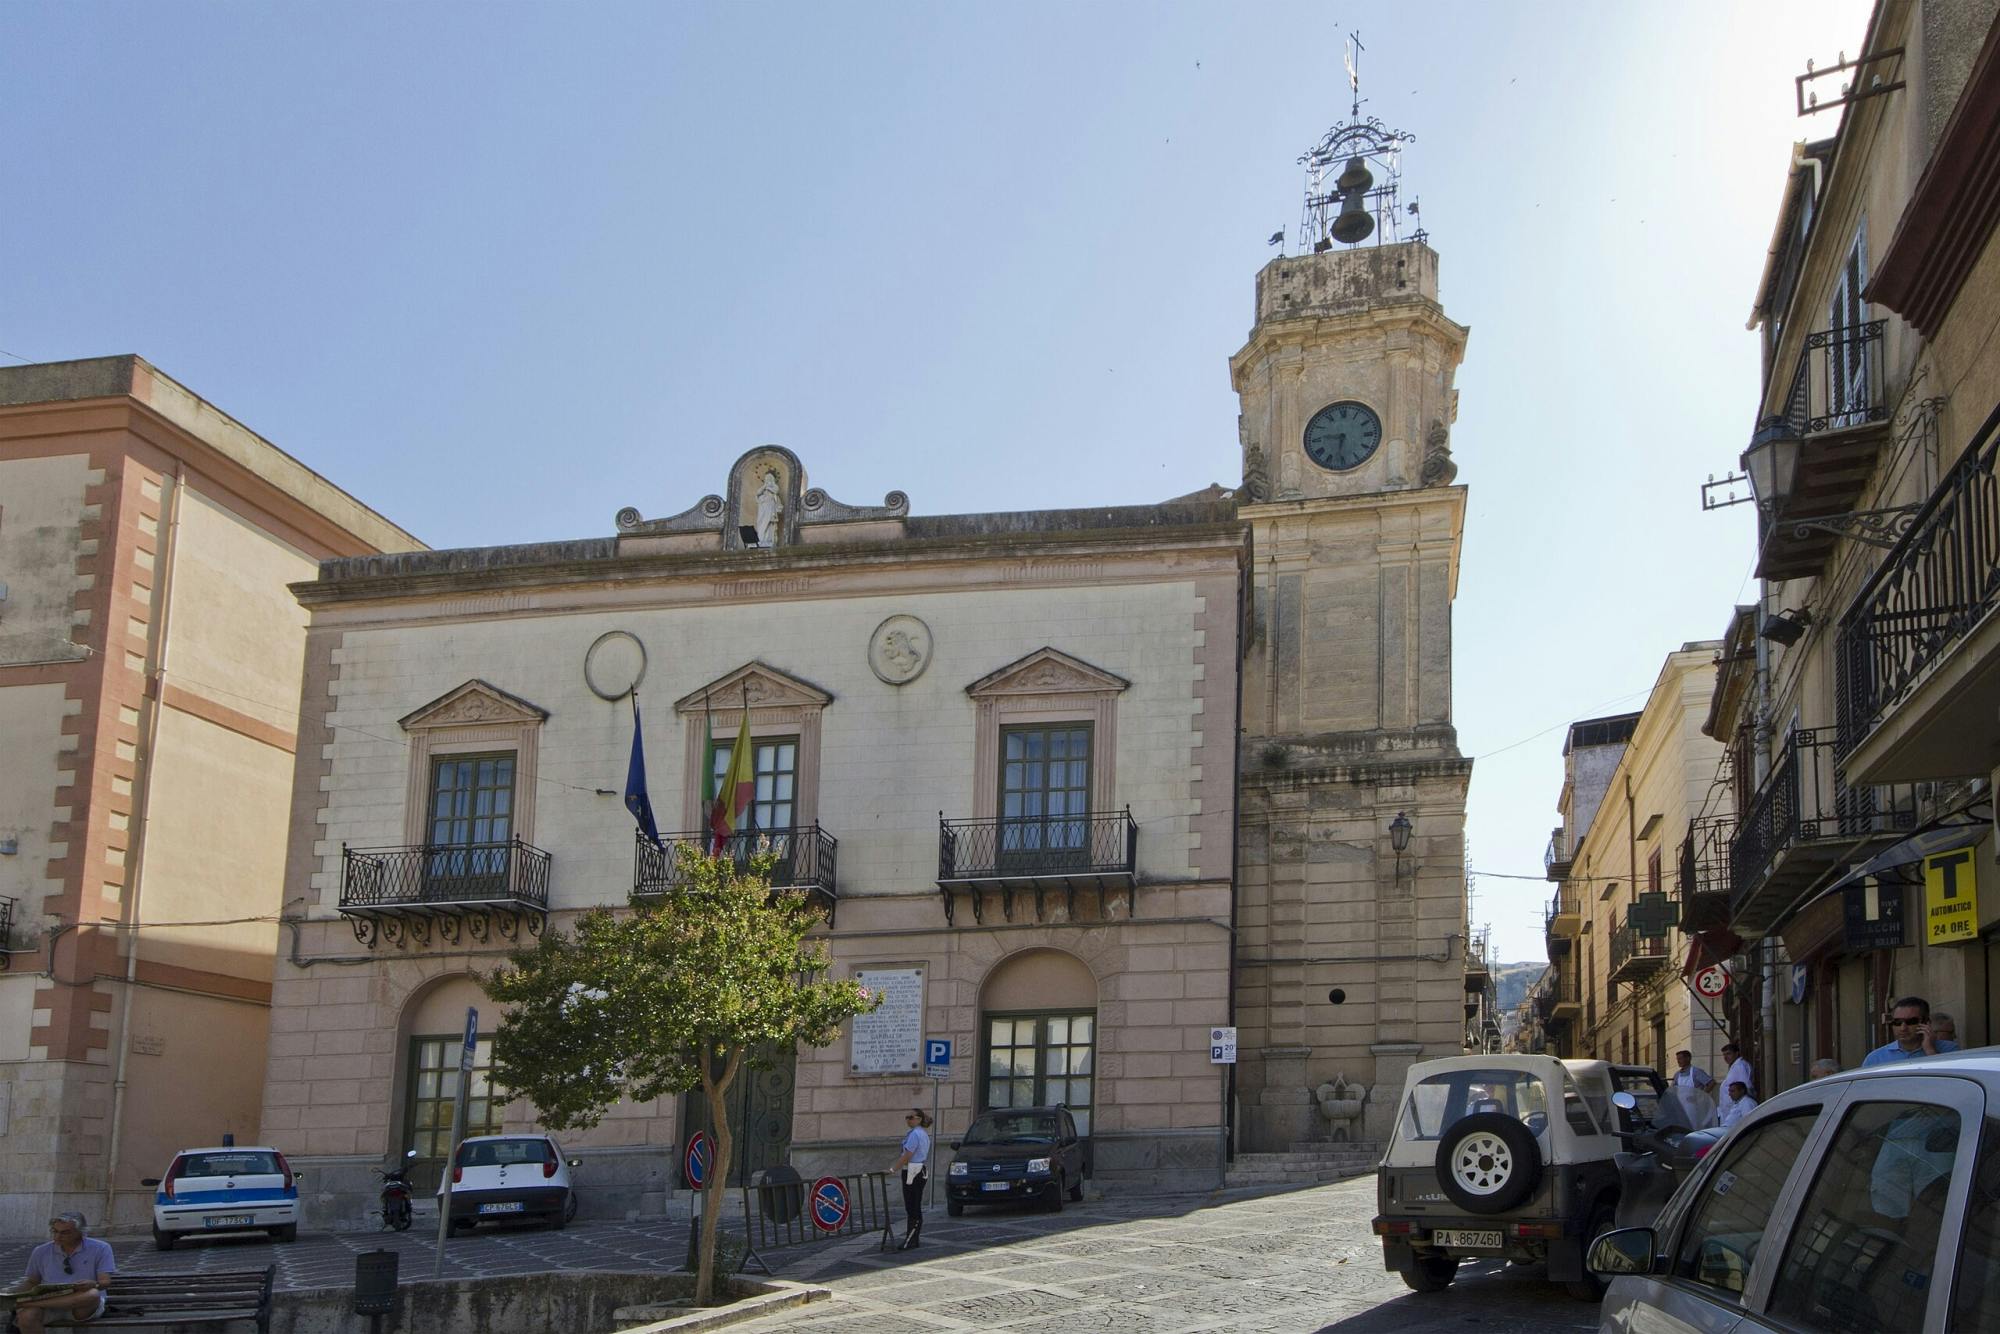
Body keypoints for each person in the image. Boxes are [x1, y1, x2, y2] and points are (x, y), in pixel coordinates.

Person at [4, 1213, 114, 1332]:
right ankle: (30, 1305)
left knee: (92, 1294)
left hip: (80, 1306)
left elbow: (105, 1281)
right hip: (48, 1301)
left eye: (65, 1233)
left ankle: (27, 1304)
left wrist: (94, 1284)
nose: (57, 1237)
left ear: (81, 1232)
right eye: (55, 1231)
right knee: (26, 1317)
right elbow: (32, 1281)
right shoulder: (41, 1251)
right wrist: (9, 1294)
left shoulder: (101, 1248)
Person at [1862, 996, 1960, 1066]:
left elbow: (1952, 1084)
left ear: (1926, 1023)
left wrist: (1930, 1050)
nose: (1903, 1028)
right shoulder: (1875, 1058)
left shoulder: (1949, 1050)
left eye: (1911, 1022)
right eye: (1897, 1022)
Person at [891, 1107, 931, 1251]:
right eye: (907, 1117)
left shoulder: (915, 1134)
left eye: (911, 1117)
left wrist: (893, 1169)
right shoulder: (921, 1134)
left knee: (912, 1206)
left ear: (919, 1119)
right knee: (914, 1204)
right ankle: (913, 1238)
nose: (908, 1120)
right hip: (919, 1169)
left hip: (913, 1170)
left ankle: (911, 1239)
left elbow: (907, 1155)